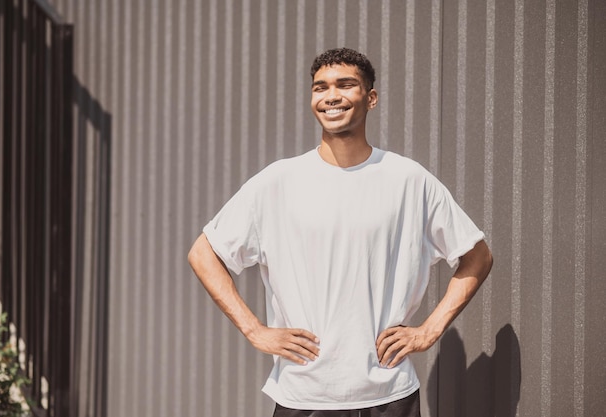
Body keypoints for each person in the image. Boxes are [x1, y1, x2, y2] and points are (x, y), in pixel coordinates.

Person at [188, 48, 493, 417]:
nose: (331, 96)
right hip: (303, 395)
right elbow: (204, 254)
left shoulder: (408, 180)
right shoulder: (278, 182)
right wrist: (255, 330)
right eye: (320, 88)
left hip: (389, 392)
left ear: (371, 98)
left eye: (345, 85)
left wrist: (428, 330)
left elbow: (477, 255)